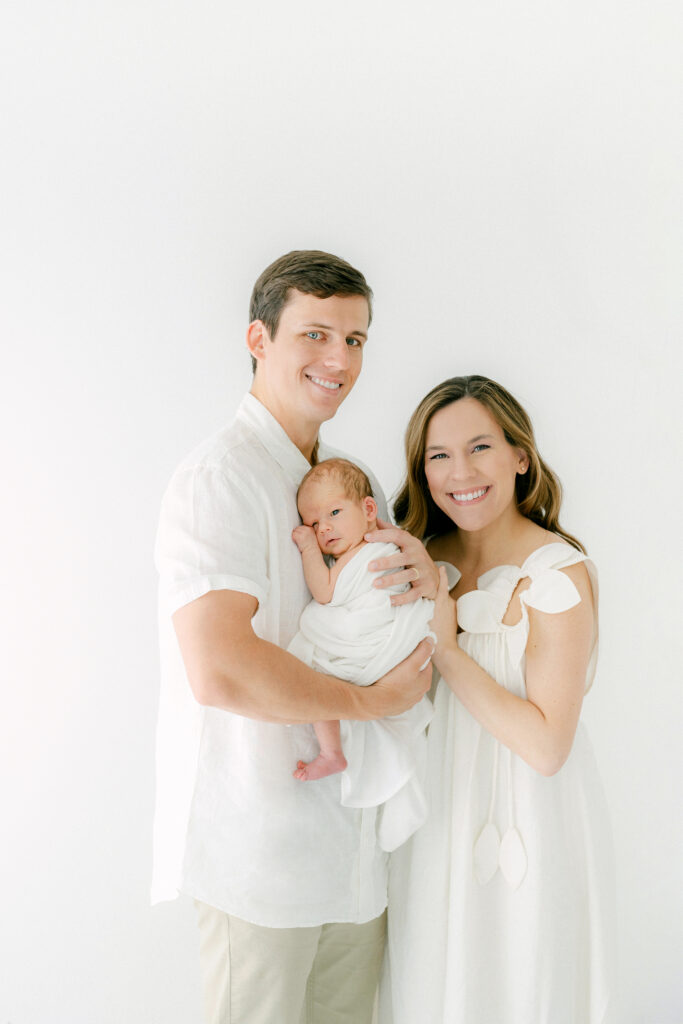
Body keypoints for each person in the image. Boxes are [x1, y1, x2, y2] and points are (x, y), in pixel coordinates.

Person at [152, 250, 435, 1024]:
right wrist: (371, 702)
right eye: (315, 334)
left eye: (355, 339)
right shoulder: (221, 478)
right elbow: (221, 669)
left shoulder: (356, 481)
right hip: (261, 854)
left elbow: (392, 621)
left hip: (352, 854)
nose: (339, 359)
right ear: (258, 338)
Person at [380, 375, 615, 1024]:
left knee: (515, 980)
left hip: (526, 827)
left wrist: (448, 648)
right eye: (438, 456)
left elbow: (545, 747)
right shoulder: (416, 561)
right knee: (427, 985)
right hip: (427, 824)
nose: (461, 471)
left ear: (519, 456)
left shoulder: (554, 572)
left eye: (479, 447)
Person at [288, 457, 434, 852]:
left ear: (369, 510)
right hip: (370, 645)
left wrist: (306, 551)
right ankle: (333, 753)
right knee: (314, 679)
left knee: (313, 662)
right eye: (315, 525)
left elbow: (324, 593)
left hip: (379, 642)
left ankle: (334, 752)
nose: (325, 528)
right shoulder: (356, 553)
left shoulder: (380, 547)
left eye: (334, 513)